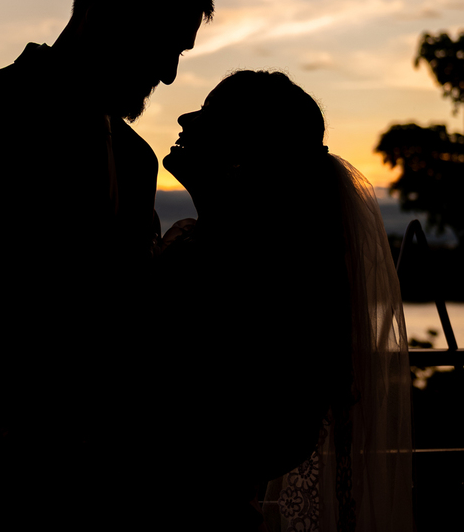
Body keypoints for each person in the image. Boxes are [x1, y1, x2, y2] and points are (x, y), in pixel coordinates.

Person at [0, 0, 213, 529]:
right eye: (165, 44)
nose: (169, 75)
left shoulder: (135, 159)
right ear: (103, 14)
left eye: (180, 53)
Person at [152, 69, 412, 532]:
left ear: (243, 153)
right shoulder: (221, 247)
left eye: (209, 113)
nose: (185, 119)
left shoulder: (246, 267)